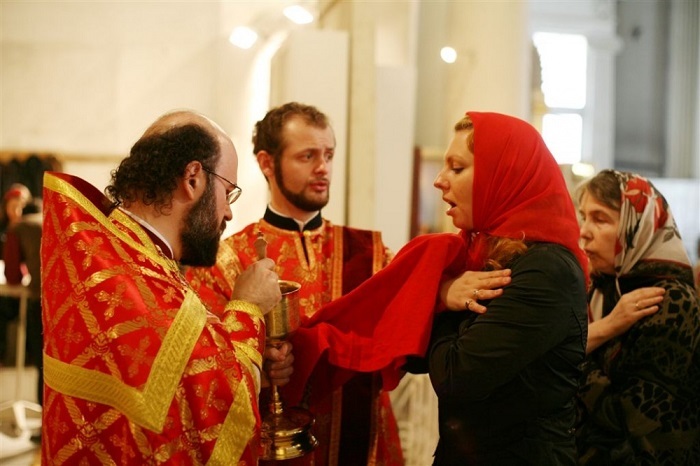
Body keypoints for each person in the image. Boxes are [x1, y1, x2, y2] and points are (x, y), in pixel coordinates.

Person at [279, 111, 588, 466]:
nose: (440, 180)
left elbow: (456, 376)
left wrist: (434, 303)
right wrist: (440, 296)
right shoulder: (481, 255)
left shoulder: (545, 268)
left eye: (457, 169)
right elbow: (416, 357)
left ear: (502, 176)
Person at [40, 110, 285, 465]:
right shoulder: (137, 282)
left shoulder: (113, 254)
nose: (228, 215)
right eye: (227, 193)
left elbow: (179, 392)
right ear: (193, 178)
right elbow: (219, 416)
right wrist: (247, 307)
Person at [186, 101, 405, 466]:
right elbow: (209, 364)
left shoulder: (370, 254)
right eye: (307, 156)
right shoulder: (226, 260)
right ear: (267, 163)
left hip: (361, 443)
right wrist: (261, 360)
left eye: (329, 155)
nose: (323, 168)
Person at [575, 169, 700, 464]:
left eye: (600, 218)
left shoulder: (671, 300)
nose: (584, 230)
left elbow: (631, 417)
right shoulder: (602, 287)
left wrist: (569, 358)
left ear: (638, 229)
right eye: (584, 216)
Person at [3, 199, 43, 405]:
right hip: (70, 300)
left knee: (42, 363)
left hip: (40, 300)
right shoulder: (56, 222)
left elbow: (12, 275)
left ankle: (44, 425)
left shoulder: (20, 227)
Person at [0, 183, 32, 365]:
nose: (16, 211)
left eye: (20, 206)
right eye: (13, 206)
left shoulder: (27, 230)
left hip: (23, 283)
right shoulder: (4, 229)